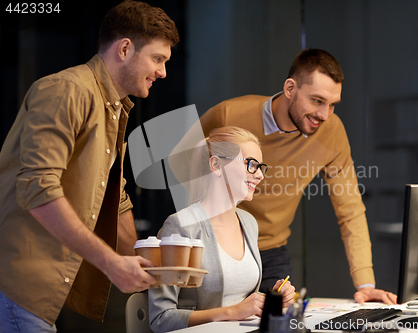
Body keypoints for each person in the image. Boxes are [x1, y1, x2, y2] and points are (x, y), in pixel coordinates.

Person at [0, 1, 179, 331]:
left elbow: (116, 197)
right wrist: (111, 263)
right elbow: (38, 188)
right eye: (158, 59)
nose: (163, 72)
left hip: (54, 286)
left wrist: (151, 268)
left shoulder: (113, 107)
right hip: (21, 284)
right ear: (124, 49)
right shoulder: (65, 90)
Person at [199, 49, 397, 305]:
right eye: (317, 101)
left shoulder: (331, 132)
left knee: (282, 324)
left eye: (332, 104)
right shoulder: (228, 115)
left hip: (271, 252)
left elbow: (351, 210)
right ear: (290, 88)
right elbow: (183, 170)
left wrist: (365, 283)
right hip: (216, 246)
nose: (325, 115)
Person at [148, 126, 295, 332]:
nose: (260, 175)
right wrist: (233, 312)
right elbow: (161, 319)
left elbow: (243, 302)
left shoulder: (248, 222)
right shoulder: (181, 226)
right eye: (251, 164)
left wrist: (273, 298)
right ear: (216, 165)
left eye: (261, 166)